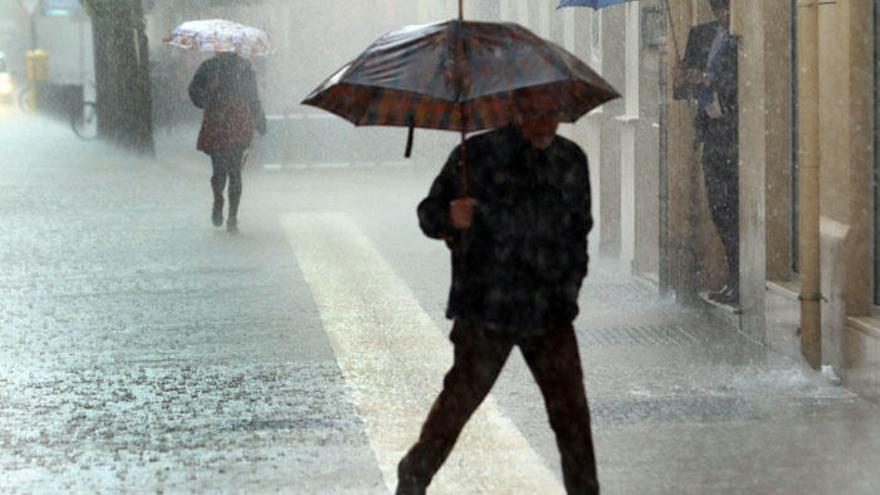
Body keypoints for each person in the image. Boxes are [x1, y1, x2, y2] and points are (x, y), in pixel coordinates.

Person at [396, 86, 599, 495]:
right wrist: (450, 216)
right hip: (486, 310)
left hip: (549, 312)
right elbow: (428, 213)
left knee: (571, 416)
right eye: (536, 113)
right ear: (514, 110)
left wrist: (570, 286)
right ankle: (414, 474)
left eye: (552, 113)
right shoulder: (476, 157)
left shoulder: (570, 160)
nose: (545, 123)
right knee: (457, 405)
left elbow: (579, 231)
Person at [673, 0, 739, 303]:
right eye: (720, 9)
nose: (726, 15)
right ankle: (733, 276)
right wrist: (682, 78)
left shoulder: (742, 38)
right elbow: (683, 91)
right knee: (719, 209)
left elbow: (738, 83)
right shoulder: (700, 35)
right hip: (711, 134)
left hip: (735, 133)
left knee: (734, 209)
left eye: (729, 9)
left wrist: (706, 79)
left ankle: (739, 279)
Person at [189, 51, 267, 234]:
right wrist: (259, 119)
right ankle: (228, 211)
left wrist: (208, 95)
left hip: (222, 120)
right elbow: (253, 97)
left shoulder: (213, 66)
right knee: (231, 171)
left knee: (226, 170)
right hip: (233, 120)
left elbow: (195, 93)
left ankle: (228, 212)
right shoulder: (236, 66)